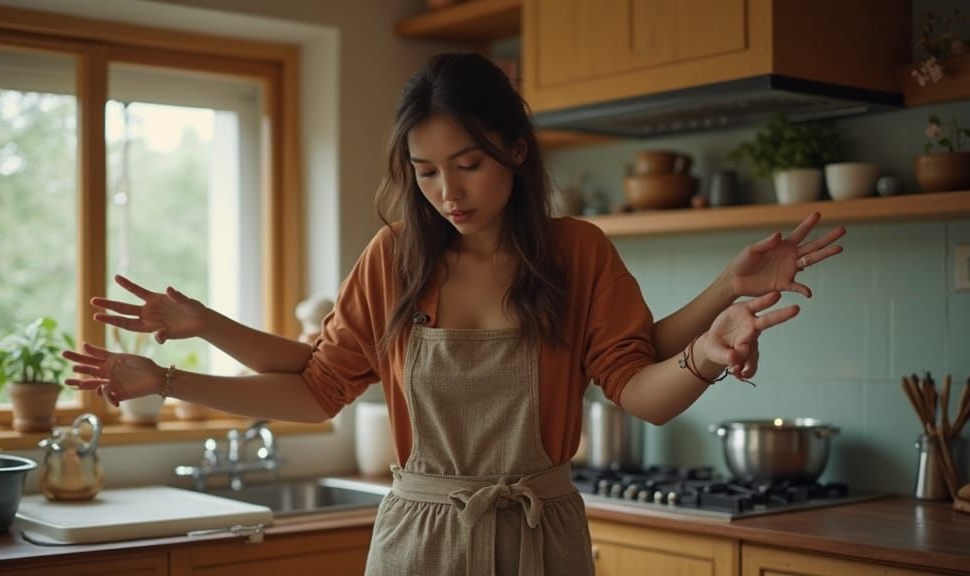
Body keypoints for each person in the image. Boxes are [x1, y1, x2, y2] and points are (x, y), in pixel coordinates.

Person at [64, 52, 845, 575]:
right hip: (419, 544)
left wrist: (709, 351)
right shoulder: (396, 257)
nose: (449, 192)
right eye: (427, 171)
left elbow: (632, 380)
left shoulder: (576, 251)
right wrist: (171, 374)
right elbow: (318, 386)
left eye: (468, 165)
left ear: (515, 150)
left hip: (543, 537)